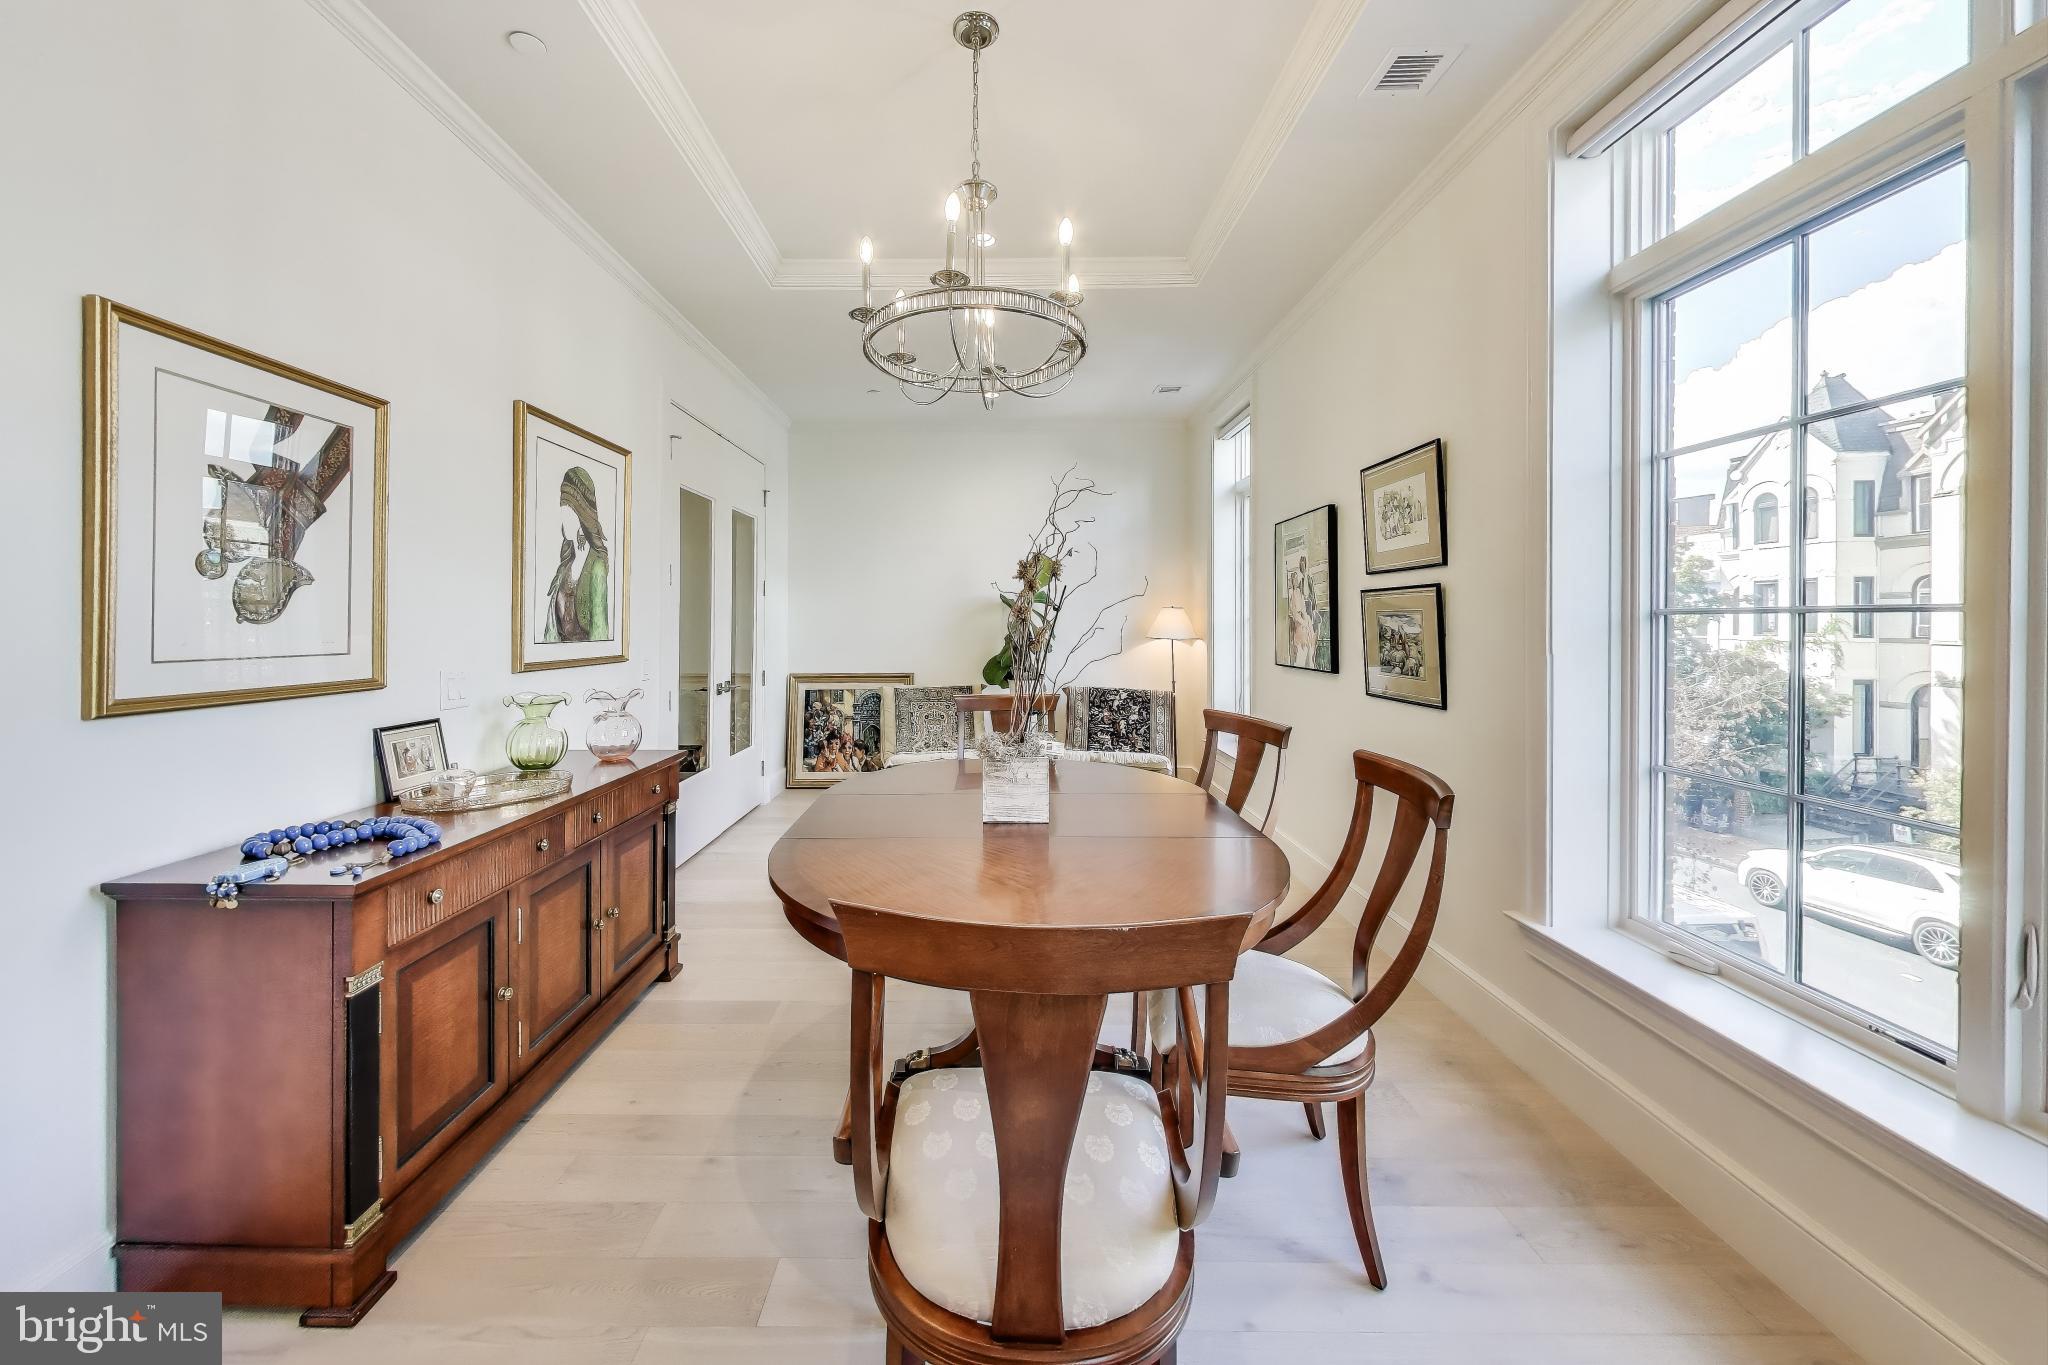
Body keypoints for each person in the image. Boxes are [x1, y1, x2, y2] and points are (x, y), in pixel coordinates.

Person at [543, 465, 610, 644]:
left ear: (582, 517)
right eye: (562, 512)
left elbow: (600, 635)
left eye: (568, 514)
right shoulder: (566, 564)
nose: (562, 522)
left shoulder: (596, 566)